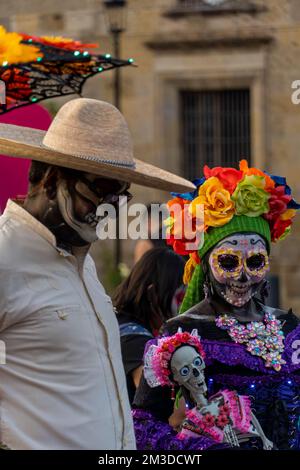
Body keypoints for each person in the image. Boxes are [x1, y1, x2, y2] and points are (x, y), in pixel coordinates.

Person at [0, 97, 194, 450]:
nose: (107, 212)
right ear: (47, 178)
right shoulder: (5, 259)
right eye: (99, 192)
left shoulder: (82, 262)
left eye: (119, 198)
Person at [137, 160, 300, 450]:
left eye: (255, 262)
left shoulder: (289, 327)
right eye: (228, 261)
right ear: (206, 265)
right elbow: (143, 423)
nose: (243, 275)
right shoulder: (180, 331)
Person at [114, 247, 185, 403]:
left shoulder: (120, 322)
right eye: (180, 298)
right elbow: (153, 395)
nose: (184, 308)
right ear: (152, 294)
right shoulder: (133, 337)